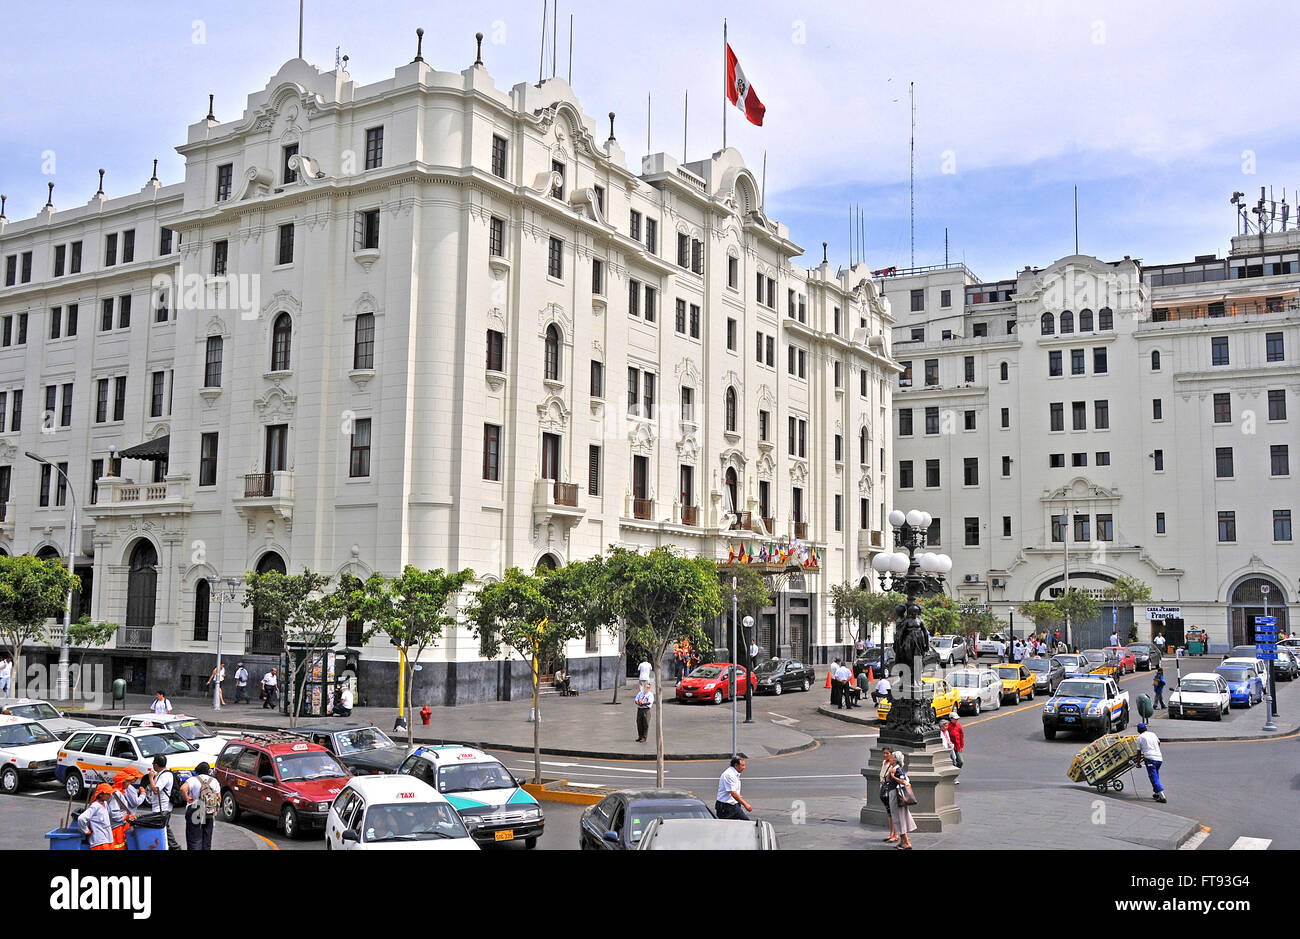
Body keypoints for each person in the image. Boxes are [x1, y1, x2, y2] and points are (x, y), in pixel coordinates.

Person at [144, 754, 181, 851]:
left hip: (162, 808)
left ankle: (175, 847)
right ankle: (170, 846)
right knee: (163, 828)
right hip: (162, 807)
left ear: (156, 765)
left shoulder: (165, 775)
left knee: (164, 829)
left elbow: (156, 790)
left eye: (153, 764)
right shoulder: (163, 774)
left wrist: (151, 778)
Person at [182, 761, 221, 850]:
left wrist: (187, 798)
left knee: (194, 838)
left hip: (195, 810)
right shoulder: (214, 781)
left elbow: (183, 788)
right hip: (209, 810)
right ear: (208, 771)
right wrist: (216, 809)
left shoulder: (192, 780)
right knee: (207, 837)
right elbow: (219, 797)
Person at [883, 749, 916, 849]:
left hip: (897, 796)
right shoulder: (893, 768)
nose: (890, 759)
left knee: (899, 818)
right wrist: (890, 774)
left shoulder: (898, 770)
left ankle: (906, 842)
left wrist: (894, 776)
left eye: (892, 758)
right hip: (893, 794)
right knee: (897, 817)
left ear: (895, 760)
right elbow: (887, 780)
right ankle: (903, 842)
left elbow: (904, 782)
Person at [78, 784, 119, 850]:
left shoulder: (104, 803)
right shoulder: (95, 806)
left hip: (108, 840)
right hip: (99, 842)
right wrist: (85, 830)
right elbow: (81, 818)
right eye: (108, 794)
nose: (110, 795)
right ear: (100, 795)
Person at [1135, 722, 1166, 803]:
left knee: (1153, 777)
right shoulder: (1153, 734)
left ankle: (1162, 796)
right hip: (1159, 758)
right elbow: (1158, 743)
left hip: (1150, 759)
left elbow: (1138, 752)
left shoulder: (1140, 738)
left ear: (1138, 730)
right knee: (1156, 775)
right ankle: (1156, 793)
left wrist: (1138, 763)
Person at [715, 755, 752, 820]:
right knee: (744, 822)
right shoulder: (729, 774)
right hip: (726, 806)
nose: (744, 767)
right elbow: (733, 793)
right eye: (742, 765)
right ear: (736, 765)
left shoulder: (735, 773)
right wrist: (745, 804)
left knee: (742, 823)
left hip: (734, 805)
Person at [946, 712, 966, 783]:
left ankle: (955, 775)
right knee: (953, 762)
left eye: (957, 719)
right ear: (951, 719)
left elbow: (961, 736)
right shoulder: (947, 726)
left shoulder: (958, 726)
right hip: (951, 747)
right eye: (955, 719)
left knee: (960, 762)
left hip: (958, 747)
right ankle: (953, 777)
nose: (956, 720)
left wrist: (961, 745)